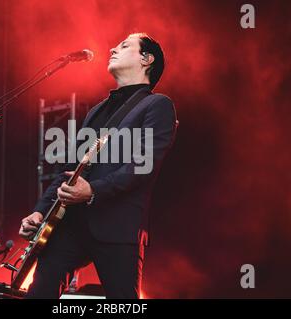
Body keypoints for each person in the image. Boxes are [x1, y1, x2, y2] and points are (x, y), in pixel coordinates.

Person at [19, 32, 177, 299]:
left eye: (125, 45)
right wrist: (39, 212)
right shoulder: (97, 111)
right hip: (70, 226)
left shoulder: (158, 105)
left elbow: (142, 165)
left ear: (146, 59)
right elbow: (67, 172)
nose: (113, 49)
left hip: (117, 227)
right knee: (39, 293)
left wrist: (92, 190)